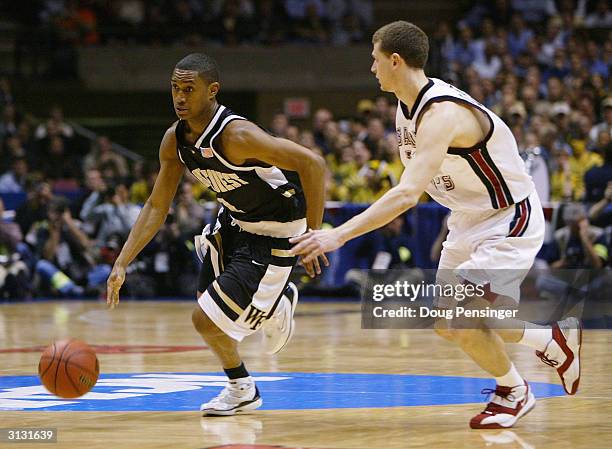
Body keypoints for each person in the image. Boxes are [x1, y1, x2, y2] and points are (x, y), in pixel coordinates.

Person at [291, 21, 581, 429]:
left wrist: (337, 234)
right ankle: (550, 340)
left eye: (375, 60)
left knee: (465, 317)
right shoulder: (403, 107)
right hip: (466, 218)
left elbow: (408, 194)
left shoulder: (442, 113)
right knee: (449, 323)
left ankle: (514, 391)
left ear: (395, 60)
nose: (371, 68)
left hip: (508, 216)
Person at [106, 53, 326, 415]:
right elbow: (157, 206)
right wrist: (122, 262)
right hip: (234, 222)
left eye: (189, 89)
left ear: (213, 91)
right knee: (209, 308)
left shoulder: (237, 136)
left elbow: (313, 164)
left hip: (277, 232)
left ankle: (271, 311)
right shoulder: (174, 141)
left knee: (203, 319)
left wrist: (314, 235)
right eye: (175, 88)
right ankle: (243, 386)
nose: (179, 97)